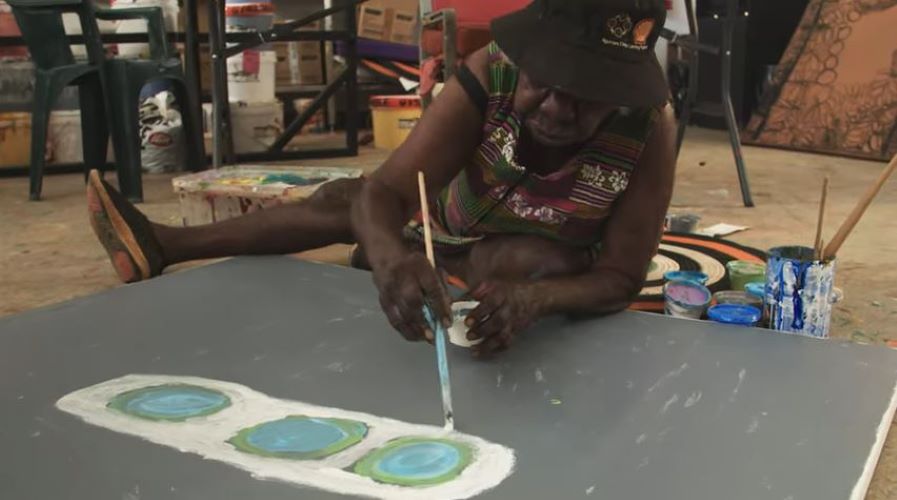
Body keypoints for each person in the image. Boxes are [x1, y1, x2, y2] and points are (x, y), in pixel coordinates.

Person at [86, 0, 677, 357]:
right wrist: (394, 258)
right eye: (543, 83)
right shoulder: (486, 74)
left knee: (520, 260)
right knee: (352, 200)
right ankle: (164, 245)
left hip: (539, 267)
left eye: (585, 98)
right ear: (524, 60)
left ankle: (430, 275)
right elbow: (389, 194)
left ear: (620, 95)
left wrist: (539, 300)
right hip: (447, 231)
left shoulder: (649, 127)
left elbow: (621, 277)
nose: (555, 109)